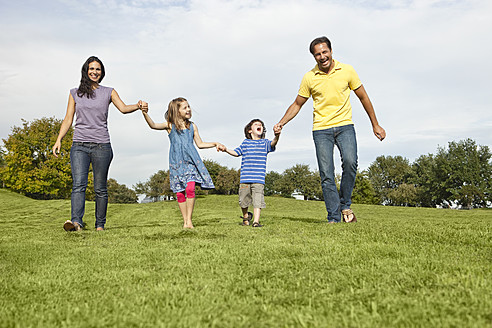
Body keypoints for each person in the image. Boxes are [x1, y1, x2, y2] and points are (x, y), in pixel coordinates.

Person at [274, 36, 386, 223]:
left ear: (331, 51)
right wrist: (281, 122)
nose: (322, 56)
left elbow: (363, 97)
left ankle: (345, 204)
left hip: (345, 126)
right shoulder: (309, 77)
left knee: (350, 163)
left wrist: (375, 124)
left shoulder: (347, 70)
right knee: (326, 173)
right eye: (317, 54)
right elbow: (297, 103)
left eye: (324, 52)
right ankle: (334, 216)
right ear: (314, 57)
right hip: (321, 130)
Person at [52, 56, 147, 232]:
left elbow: (124, 108)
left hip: (101, 146)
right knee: (78, 185)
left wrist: (138, 105)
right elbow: (68, 119)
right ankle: (76, 222)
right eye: (91, 69)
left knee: (100, 188)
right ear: (85, 70)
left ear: (101, 72)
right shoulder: (75, 93)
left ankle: (100, 225)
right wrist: (59, 139)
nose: (94, 72)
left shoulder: (109, 91)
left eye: (98, 69)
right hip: (79, 145)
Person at [141, 97, 223, 229]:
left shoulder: (192, 126)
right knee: (180, 192)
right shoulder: (169, 126)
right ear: (176, 111)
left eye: (189, 106)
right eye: (185, 107)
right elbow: (153, 125)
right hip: (176, 164)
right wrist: (144, 112)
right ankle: (185, 221)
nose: (189, 109)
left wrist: (215, 144)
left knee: (190, 188)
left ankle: (189, 220)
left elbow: (200, 144)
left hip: (191, 162)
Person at [220, 119, 280, 227]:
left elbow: (273, 143)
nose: (259, 126)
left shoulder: (265, 143)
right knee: (243, 200)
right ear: (249, 130)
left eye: (261, 125)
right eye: (256, 124)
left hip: (258, 179)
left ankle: (256, 222)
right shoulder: (245, 143)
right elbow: (236, 153)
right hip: (245, 178)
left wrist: (277, 135)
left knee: (258, 200)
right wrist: (225, 149)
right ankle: (246, 218)